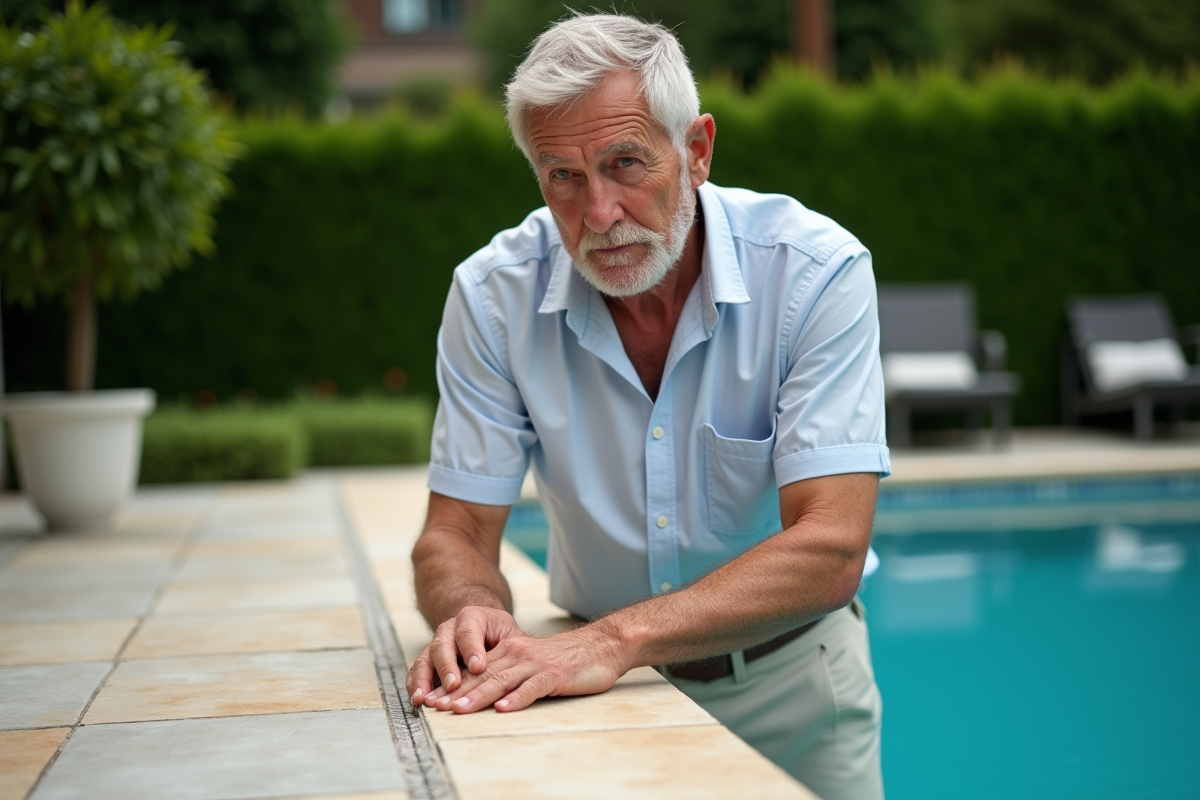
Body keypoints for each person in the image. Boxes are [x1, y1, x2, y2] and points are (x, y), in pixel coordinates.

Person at [405, 14, 888, 800]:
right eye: (563, 175)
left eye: (625, 163)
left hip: (795, 691)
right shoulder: (493, 294)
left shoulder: (814, 273)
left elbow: (832, 545)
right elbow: (454, 532)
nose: (598, 213)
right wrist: (471, 611)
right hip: (598, 702)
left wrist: (612, 639)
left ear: (696, 151)